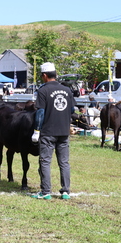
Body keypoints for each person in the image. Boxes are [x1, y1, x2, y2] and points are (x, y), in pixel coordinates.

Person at [31, 62, 74, 200]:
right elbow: (72, 110)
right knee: (64, 162)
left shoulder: (43, 91)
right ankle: (66, 191)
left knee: (45, 161)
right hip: (64, 132)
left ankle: (45, 192)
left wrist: (37, 130)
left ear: (44, 75)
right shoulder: (67, 90)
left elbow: (40, 112)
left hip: (48, 132)